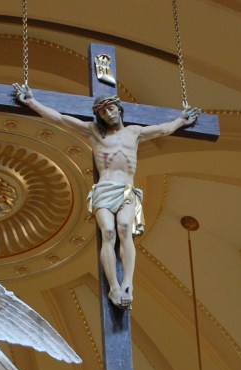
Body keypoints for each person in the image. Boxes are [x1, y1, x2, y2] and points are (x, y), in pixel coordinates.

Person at [17, 86, 200, 308]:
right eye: (103, 112)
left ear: (119, 109)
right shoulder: (94, 132)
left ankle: (128, 284)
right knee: (109, 232)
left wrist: (180, 121)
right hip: (104, 189)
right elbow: (60, 119)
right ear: (99, 116)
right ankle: (113, 286)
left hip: (126, 190)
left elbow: (162, 130)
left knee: (125, 228)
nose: (108, 114)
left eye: (111, 109)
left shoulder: (134, 132)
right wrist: (32, 103)